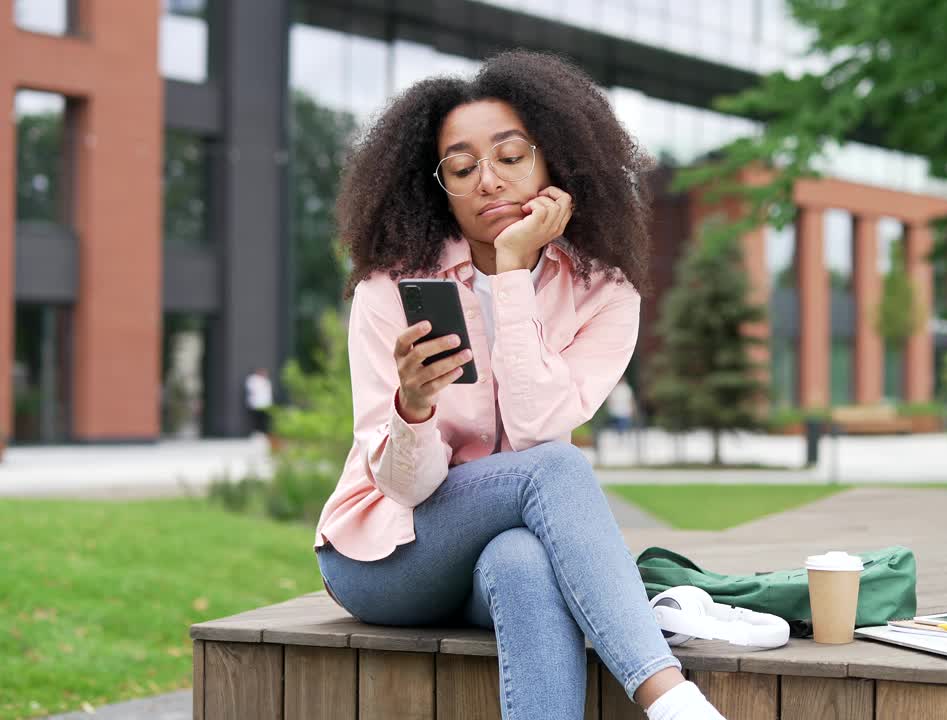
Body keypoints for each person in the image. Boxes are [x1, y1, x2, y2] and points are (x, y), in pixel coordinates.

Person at [312, 51, 726, 720]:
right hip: (388, 557)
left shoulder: (604, 294)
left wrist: (510, 275)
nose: (489, 180)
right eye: (462, 166)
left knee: (525, 562)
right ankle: (671, 699)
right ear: (437, 184)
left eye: (511, 155)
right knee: (558, 466)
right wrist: (413, 407)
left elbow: (532, 428)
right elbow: (409, 488)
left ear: (554, 161)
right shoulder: (389, 291)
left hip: (491, 563)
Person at [244, 367, 273, 436]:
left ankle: (263, 433)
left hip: (265, 405)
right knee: (255, 420)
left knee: (264, 420)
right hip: (255, 404)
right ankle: (255, 433)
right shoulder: (253, 380)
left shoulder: (266, 381)